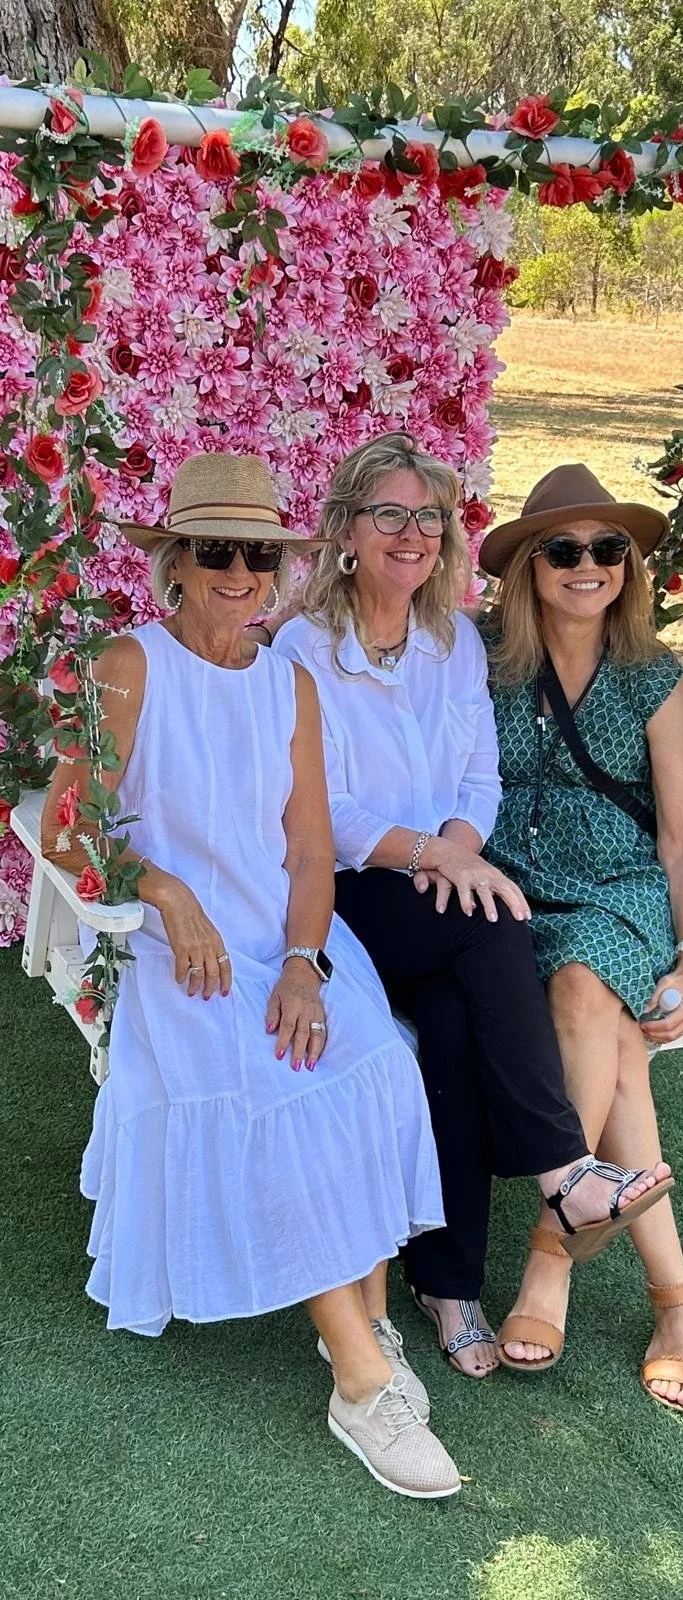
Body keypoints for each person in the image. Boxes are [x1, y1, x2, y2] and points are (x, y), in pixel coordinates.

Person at [40, 452, 464, 1500]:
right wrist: (167, 892)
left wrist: (310, 967)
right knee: (275, 1090)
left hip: (287, 942)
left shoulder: (292, 683)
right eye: (217, 552)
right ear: (175, 564)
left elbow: (311, 852)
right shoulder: (125, 665)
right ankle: (364, 1379)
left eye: (260, 555)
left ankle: (359, 1325)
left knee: (377, 1067)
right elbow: (63, 820)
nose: (241, 573)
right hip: (169, 946)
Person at [272, 432, 673, 1381]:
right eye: (391, 515)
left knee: (452, 1027)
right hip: (351, 885)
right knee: (498, 919)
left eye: (430, 516)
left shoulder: (450, 640)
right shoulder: (304, 647)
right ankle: (566, 1172)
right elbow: (318, 806)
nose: (413, 534)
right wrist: (439, 862)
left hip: (441, 877)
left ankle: (447, 1284)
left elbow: (478, 771)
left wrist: (457, 852)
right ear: (347, 532)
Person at [475, 463, 683, 1409]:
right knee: (618, 1046)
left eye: (608, 548)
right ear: (529, 567)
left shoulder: (652, 677)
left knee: (585, 991)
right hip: (508, 889)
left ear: (629, 566)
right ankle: (676, 1301)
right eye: (564, 549)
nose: (589, 566)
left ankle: (551, 1260)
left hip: (618, 891)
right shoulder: (482, 656)